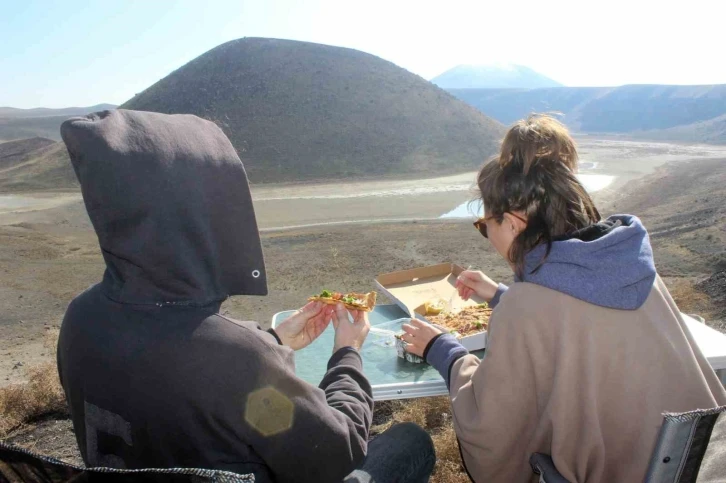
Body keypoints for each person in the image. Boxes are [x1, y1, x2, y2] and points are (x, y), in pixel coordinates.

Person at [57, 109, 434, 483]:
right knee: (410, 443)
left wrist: (273, 342)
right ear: (201, 215)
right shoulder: (235, 360)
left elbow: (180, 380)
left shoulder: (80, 319)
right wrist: (346, 353)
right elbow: (339, 453)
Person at [401, 114, 726, 482]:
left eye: (484, 225)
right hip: (701, 464)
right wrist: (500, 295)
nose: (487, 236)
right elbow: (582, 320)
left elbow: (492, 424)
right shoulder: (631, 268)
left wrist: (442, 349)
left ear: (513, 223)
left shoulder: (529, 306)